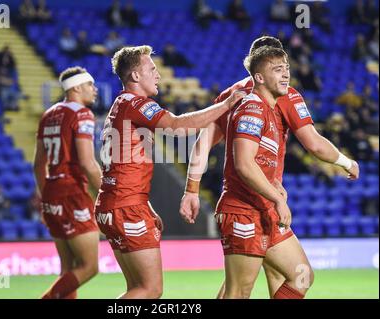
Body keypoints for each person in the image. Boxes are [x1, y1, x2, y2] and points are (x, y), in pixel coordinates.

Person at [179, 36, 360, 298]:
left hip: (266, 202)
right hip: (246, 204)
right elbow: (313, 144)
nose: (285, 74)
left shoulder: (232, 94)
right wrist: (345, 162)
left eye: (285, 67)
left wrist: (192, 189)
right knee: (240, 289)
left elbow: (203, 142)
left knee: (298, 275)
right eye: (277, 67)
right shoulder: (267, 100)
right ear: (259, 72)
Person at [94, 45, 245, 299]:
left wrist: (146, 206)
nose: (158, 75)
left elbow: (124, 165)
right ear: (135, 76)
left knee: (137, 289)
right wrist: (227, 105)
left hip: (116, 203)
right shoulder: (136, 104)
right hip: (126, 206)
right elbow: (178, 126)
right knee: (150, 289)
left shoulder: (120, 105)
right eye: (151, 69)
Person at [33, 66, 102, 299]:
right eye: (90, 85)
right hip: (72, 192)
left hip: (51, 192)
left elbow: (38, 165)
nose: (95, 89)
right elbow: (87, 163)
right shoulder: (82, 114)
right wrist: (109, 191)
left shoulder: (48, 114)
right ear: (77, 87)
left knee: (68, 270)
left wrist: (46, 200)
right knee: (89, 267)